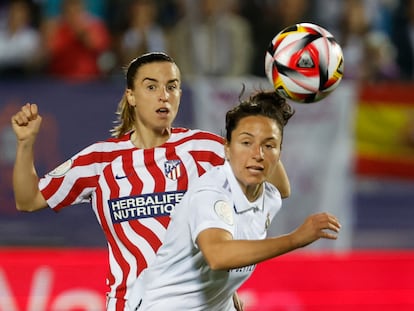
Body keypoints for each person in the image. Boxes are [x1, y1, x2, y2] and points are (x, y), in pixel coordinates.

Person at [11, 52, 290, 311]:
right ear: (131, 96)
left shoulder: (205, 149)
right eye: (152, 87)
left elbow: (277, 188)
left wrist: (263, 120)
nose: (164, 96)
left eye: (172, 86)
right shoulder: (100, 160)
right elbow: (28, 199)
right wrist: (25, 145)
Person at [128, 90, 341, 310]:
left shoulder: (268, 197)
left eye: (269, 146)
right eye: (246, 142)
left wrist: (265, 113)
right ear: (227, 149)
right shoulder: (211, 192)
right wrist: (296, 238)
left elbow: (282, 189)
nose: (257, 154)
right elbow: (218, 255)